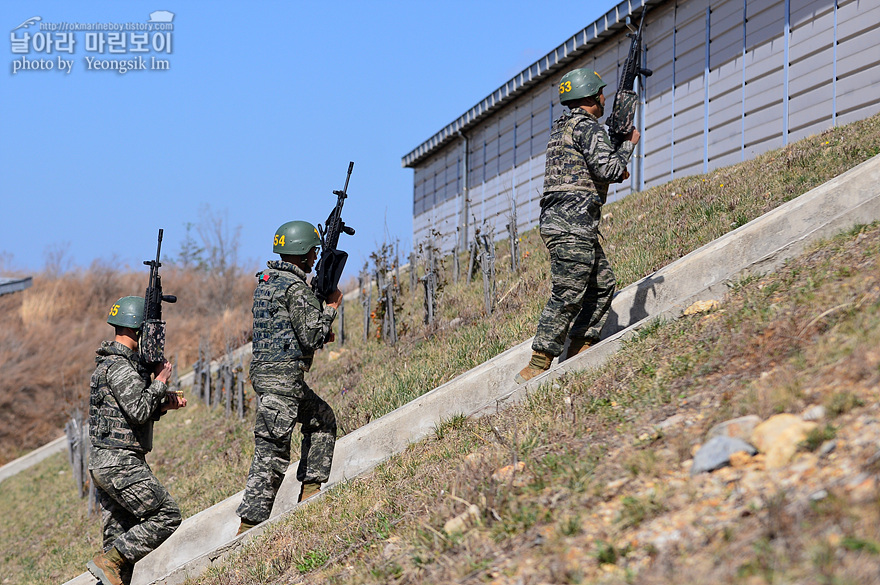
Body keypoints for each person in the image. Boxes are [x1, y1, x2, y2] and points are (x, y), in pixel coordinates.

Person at [516, 68, 641, 384]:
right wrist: (628, 145)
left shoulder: (562, 129)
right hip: (572, 225)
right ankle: (537, 364)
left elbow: (592, 172)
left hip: (565, 223)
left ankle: (580, 348)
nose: (604, 98)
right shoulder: (588, 127)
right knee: (569, 291)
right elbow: (611, 170)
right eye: (601, 92)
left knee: (602, 283)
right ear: (592, 96)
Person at [236, 220, 342, 534]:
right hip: (282, 381)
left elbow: (285, 327)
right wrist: (331, 308)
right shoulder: (295, 288)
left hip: (270, 376)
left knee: (321, 419)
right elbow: (311, 335)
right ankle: (248, 527)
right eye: (312, 252)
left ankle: (310, 493)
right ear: (301, 252)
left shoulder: (268, 281)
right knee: (272, 451)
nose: (314, 258)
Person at [87, 296, 187, 585]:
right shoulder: (119, 367)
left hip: (106, 464)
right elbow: (140, 410)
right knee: (167, 515)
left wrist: (163, 403)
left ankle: (111, 562)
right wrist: (160, 381)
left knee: (118, 558)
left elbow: (129, 413)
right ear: (136, 329)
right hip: (120, 463)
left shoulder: (110, 365)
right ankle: (109, 561)